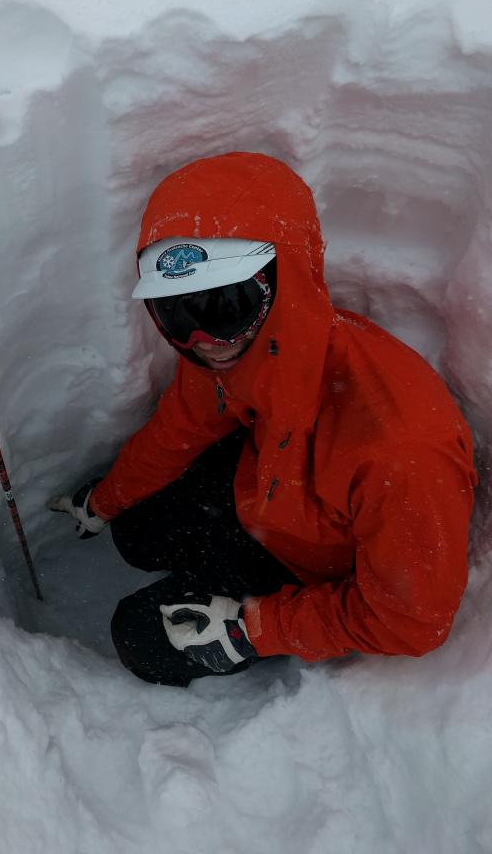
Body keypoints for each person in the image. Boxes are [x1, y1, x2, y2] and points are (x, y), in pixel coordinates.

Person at [48, 153, 477, 687]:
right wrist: (104, 501)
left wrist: (251, 629)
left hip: (313, 567)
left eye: (225, 302)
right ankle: (200, 563)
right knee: (134, 533)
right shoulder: (237, 349)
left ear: (287, 278)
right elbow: (177, 431)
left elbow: (412, 622)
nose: (203, 339)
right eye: (175, 312)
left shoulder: (402, 449)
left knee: (137, 634)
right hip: (267, 495)